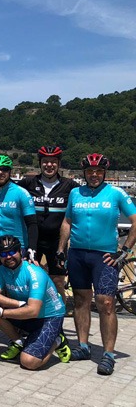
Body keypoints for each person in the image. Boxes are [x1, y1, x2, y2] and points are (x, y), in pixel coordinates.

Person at [57, 153, 136, 375]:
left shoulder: (116, 193)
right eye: (90, 171)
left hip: (105, 256)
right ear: (84, 173)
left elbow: (135, 221)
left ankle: (109, 354)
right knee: (81, 300)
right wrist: (61, 249)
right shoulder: (75, 193)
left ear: (104, 173)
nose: (94, 175)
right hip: (78, 255)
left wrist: (125, 250)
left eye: (98, 171)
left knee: (106, 303)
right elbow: (67, 221)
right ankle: (83, 346)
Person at [0, 235, 71, 371]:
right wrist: (17, 303)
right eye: (3, 254)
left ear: (20, 251)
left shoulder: (35, 273)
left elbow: (33, 310)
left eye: (12, 252)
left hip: (49, 317)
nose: (8, 257)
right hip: (26, 313)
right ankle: (18, 341)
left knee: (28, 362)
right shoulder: (2, 270)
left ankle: (58, 340)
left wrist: (3, 312)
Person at [17, 146, 78, 312]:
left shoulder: (70, 185)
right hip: (32, 240)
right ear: (40, 163)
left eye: (53, 162)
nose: (49, 165)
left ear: (59, 164)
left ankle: (58, 318)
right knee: (28, 279)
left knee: (58, 281)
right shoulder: (28, 183)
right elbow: (7, 191)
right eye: (45, 162)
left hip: (57, 242)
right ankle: (27, 318)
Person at [0, 155, 37, 294]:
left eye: (4, 169)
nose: (0, 173)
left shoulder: (21, 193)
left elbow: (32, 224)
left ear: (10, 171)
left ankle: (9, 315)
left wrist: (32, 249)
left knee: (14, 289)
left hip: (16, 247)